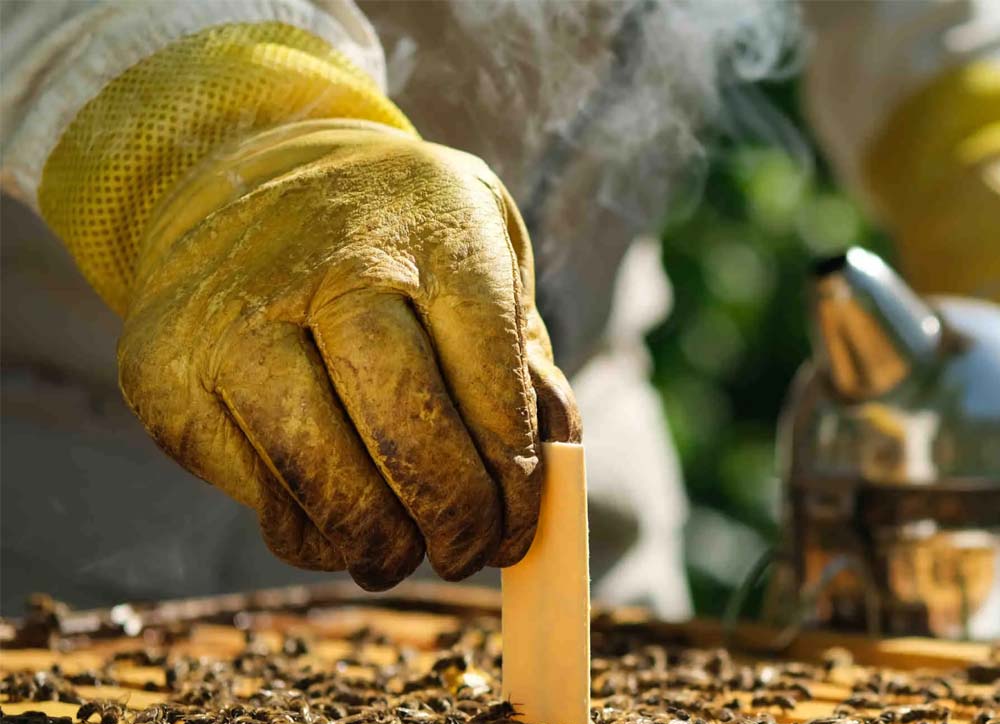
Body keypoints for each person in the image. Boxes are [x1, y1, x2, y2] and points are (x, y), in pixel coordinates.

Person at [1, 1, 996, 617]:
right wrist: (225, 137)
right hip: (84, 482)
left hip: (585, 507)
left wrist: (974, 143)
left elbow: (932, 31)